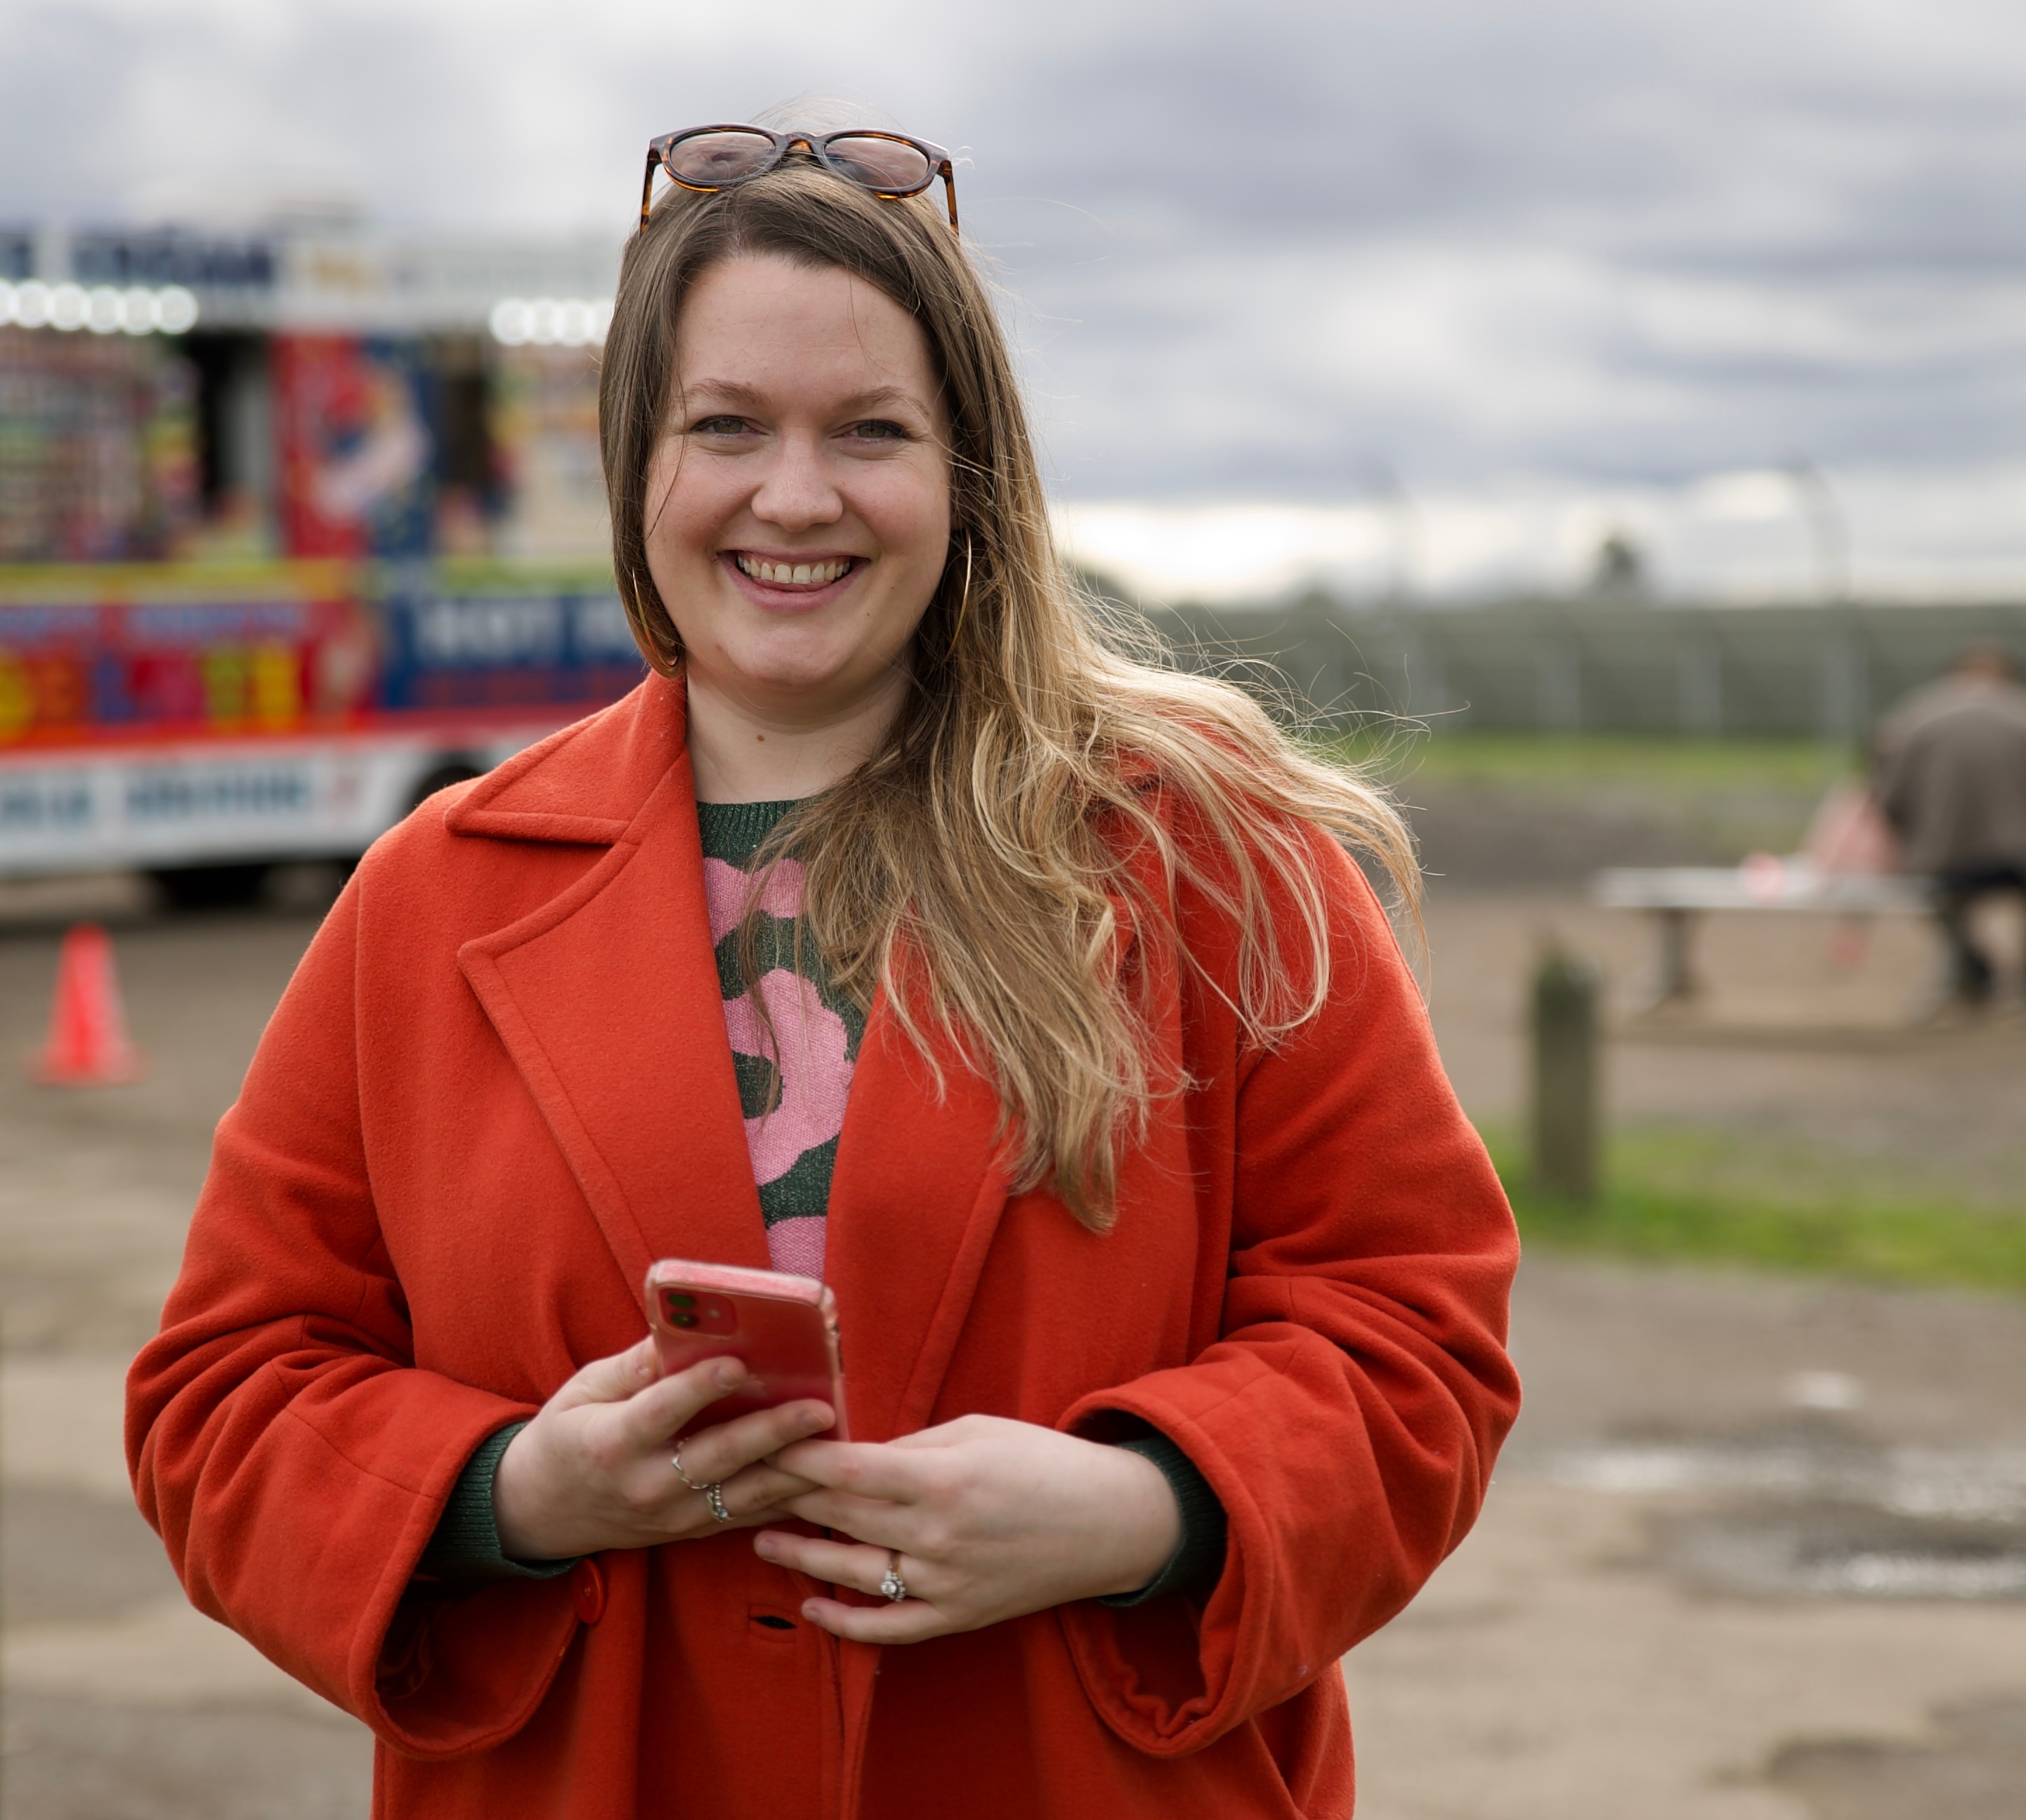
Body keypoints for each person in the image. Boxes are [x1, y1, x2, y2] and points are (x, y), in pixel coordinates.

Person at [126, 110, 1520, 1820]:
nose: (794, 496)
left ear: (968, 476)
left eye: (870, 430)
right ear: (643, 465)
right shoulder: (434, 895)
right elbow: (222, 1402)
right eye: (727, 428)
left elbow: (1413, 1338)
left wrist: (1140, 1508)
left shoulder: (1207, 857)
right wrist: (512, 1487)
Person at [1873, 643, 2026, 1008]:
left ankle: (1976, 971)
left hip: (1944, 858)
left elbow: (1888, 797)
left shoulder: (1914, 716)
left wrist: (1913, 837)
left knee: (1939, 901)